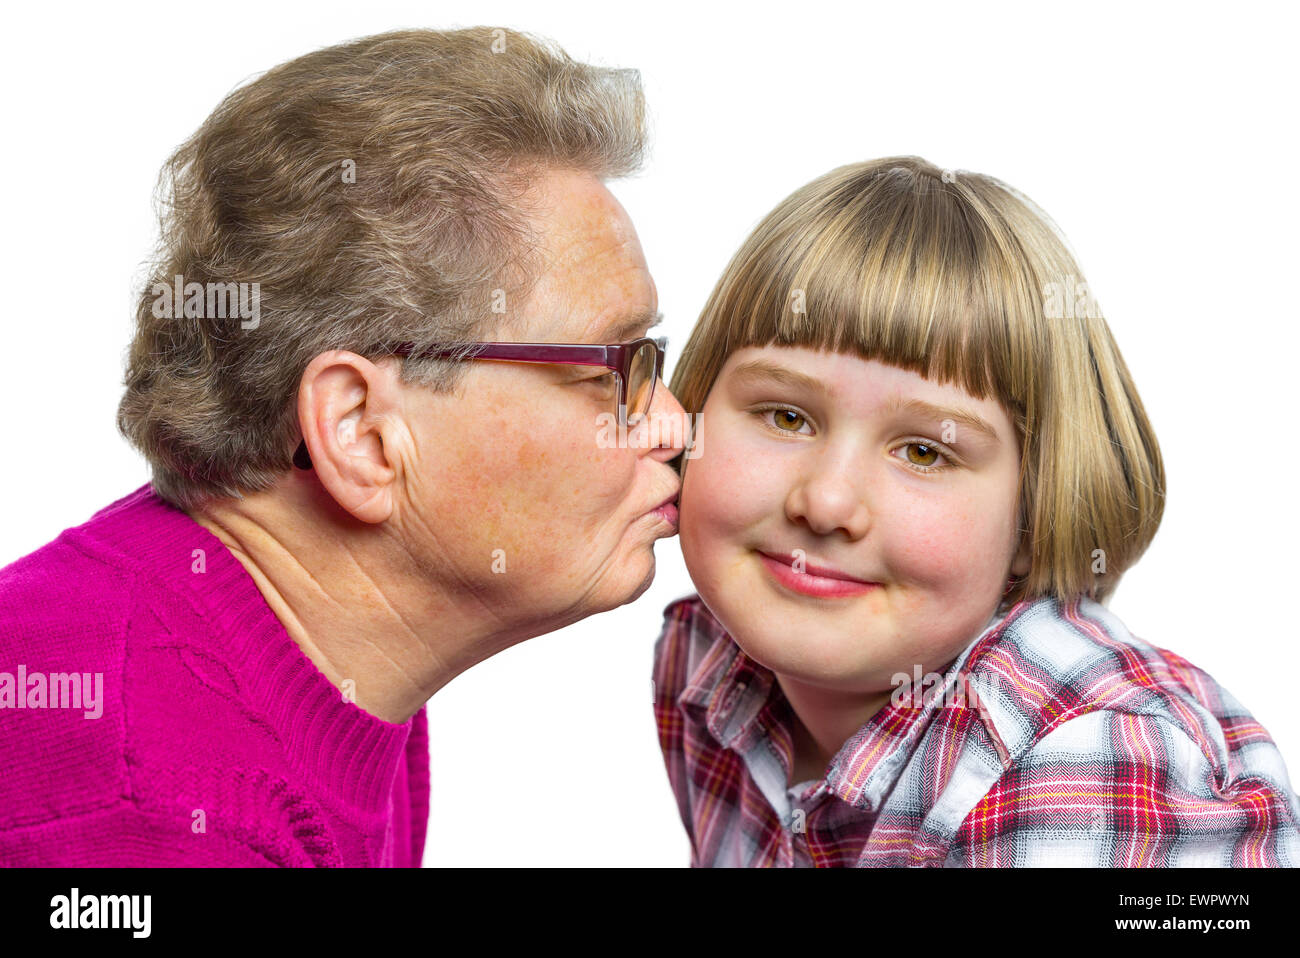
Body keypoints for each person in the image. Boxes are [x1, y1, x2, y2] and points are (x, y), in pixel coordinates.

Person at [0, 27, 686, 867]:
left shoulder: (328, 656)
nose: (674, 424)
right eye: (613, 367)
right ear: (360, 433)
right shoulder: (152, 809)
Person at [652, 156, 1300, 867]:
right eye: (785, 416)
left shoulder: (1082, 760)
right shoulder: (701, 657)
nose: (826, 502)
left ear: (1032, 516)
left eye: (925, 453)